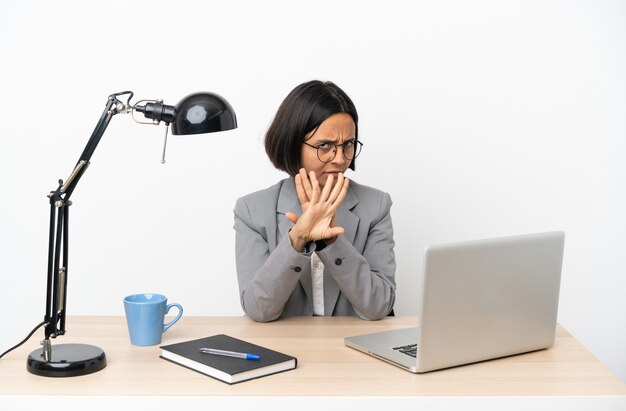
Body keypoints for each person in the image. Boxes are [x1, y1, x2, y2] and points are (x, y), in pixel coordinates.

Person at [233, 80, 396, 322]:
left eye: (348, 145)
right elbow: (259, 309)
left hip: (354, 351)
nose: (340, 159)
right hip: (285, 350)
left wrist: (333, 242)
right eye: (325, 145)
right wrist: (297, 239)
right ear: (292, 144)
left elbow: (378, 307)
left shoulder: (376, 206)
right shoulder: (252, 211)